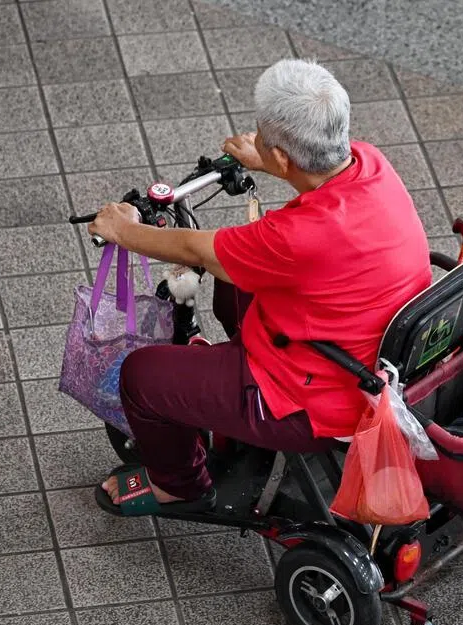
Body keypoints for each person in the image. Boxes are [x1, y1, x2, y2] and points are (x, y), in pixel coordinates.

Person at [88, 58, 432, 515]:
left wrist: (122, 231)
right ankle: (225, 392)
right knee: (238, 289)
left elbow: (198, 250)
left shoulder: (296, 236)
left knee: (141, 377)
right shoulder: (371, 163)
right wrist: (267, 160)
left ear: (286, 156)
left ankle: (178, 483)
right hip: (372, 353)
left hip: (314, 400)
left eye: (267, 142)